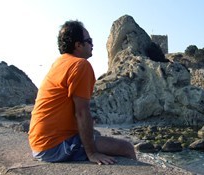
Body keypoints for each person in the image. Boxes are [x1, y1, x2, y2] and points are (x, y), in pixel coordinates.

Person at [28, 20, 136, 165]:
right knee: (127, 148)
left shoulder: (60, 63)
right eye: (89, 41)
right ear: (78, 45)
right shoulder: (80, 65)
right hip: (54, 147)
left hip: (39, 143)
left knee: (95, 135)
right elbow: (81, 112)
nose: (92, 45)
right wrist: (92, 153)